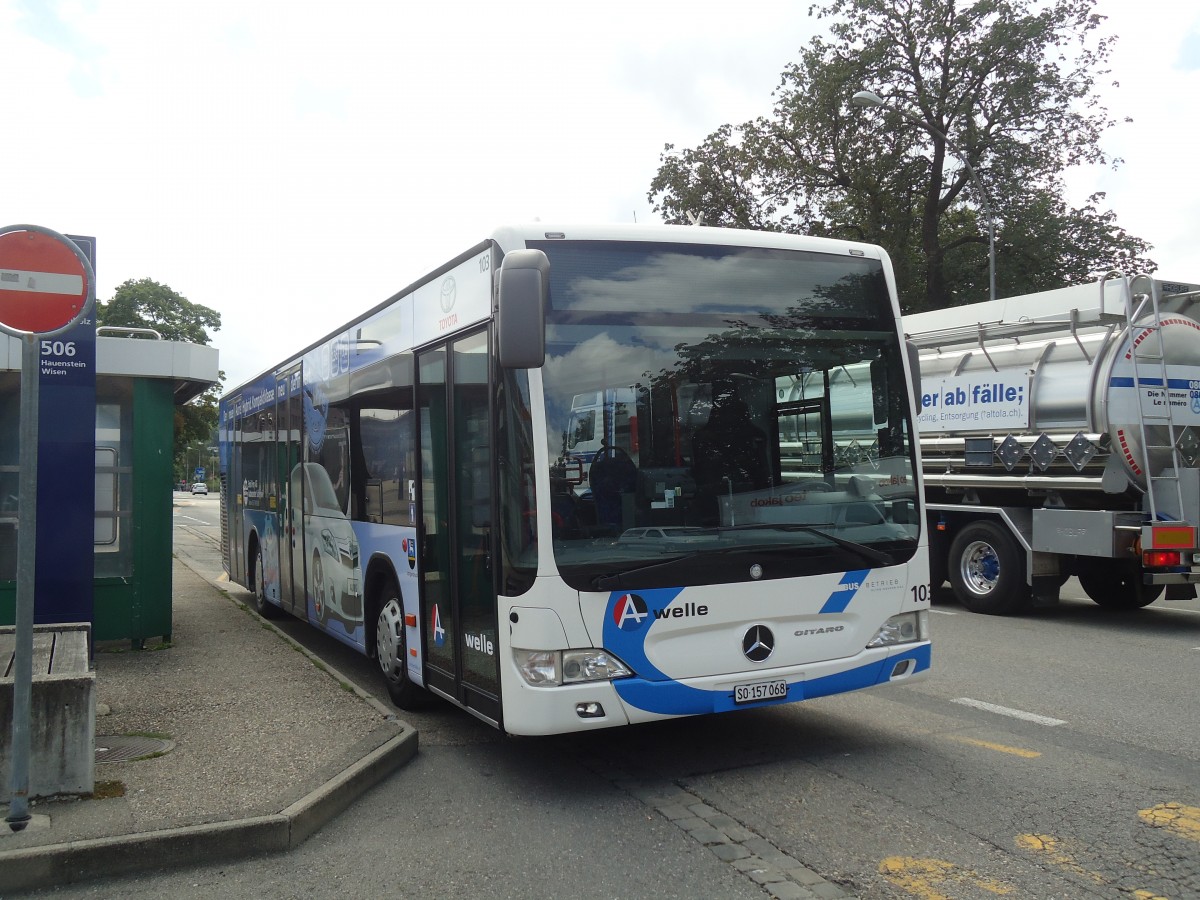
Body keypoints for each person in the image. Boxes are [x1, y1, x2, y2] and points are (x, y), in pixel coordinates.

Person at [692, 392, 771, 522]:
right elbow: (702, 468)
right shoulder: (703, 437)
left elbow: (763, 465)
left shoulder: (754, 435)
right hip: (713, 492)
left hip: (752, 491)